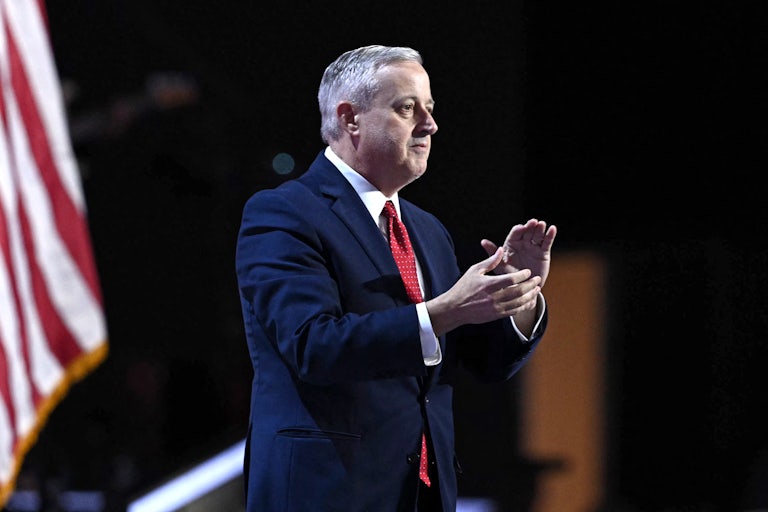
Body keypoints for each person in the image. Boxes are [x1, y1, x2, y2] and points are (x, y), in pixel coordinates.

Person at [235, 44, 557, 512]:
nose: (430, 125)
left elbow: (481, 362)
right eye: (408, 108)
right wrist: (443, 311)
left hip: (422, 494)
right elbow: (312, 345)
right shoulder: (284, 213)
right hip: (327, 492)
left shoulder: (427, 229)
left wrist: (519, 294)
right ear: (350, 119)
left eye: (430, 108)